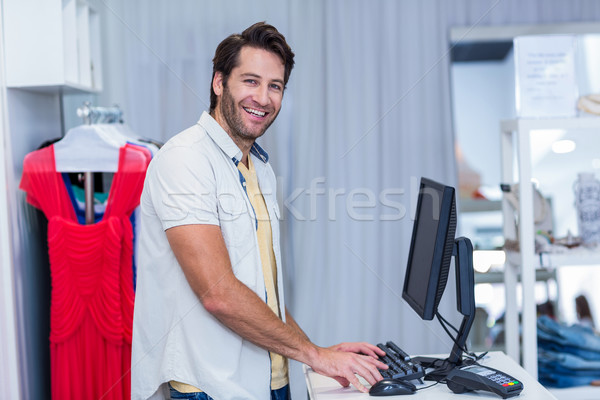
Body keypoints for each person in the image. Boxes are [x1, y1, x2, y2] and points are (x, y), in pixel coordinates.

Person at [131, 22, 387, 400]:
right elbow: (218, 293)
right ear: (219, 83)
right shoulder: (186, 159)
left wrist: (319, 353)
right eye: (250, 81)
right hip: (210, 388)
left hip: (267, 382)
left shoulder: (258, 168)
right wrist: (315, 356)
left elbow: (262, 295)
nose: (263, 98)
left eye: (275, 86)